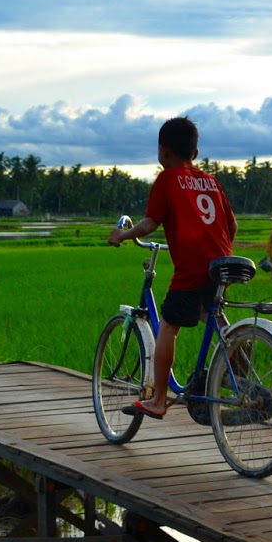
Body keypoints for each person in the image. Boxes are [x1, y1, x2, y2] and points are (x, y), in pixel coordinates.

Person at [108, 117, 237, 419]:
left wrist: (122, 235)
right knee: (212, 315)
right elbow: (232, 224)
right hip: (223, 262)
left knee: (168, 326)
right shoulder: (211, 180)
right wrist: (219, 254)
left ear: (162, 150)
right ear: (195, 152)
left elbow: (150, 223)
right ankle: (239, 371)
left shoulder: (167, 179)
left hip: (192, 265)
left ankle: (158, 401)